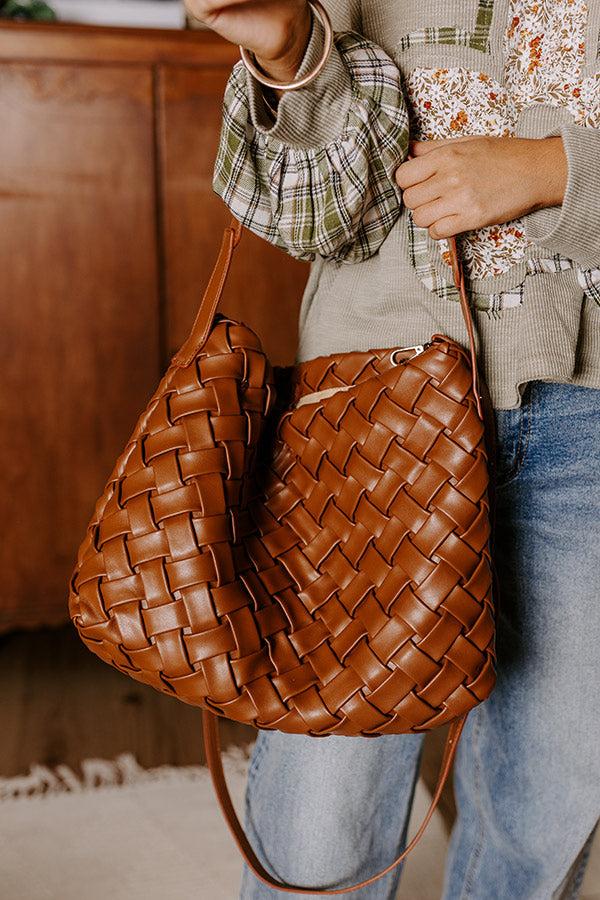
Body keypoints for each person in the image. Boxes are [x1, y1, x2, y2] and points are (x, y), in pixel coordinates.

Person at [187, 2, 600, 897]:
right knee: (320, 816)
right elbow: (318, 219)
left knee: (550, 805)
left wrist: (554, 170)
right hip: (375, 397)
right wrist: (290, 47)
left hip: (591, 411)